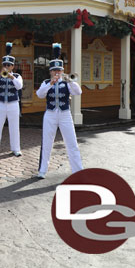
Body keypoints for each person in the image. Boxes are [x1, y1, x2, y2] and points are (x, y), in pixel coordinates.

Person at [35, 43, 83, 179]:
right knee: (46, 142)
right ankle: (42, 170)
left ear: (62, 71)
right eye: (54, 70)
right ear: (50, 71)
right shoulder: (46, 82)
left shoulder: (67, 82)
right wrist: (50, 83)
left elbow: (78, 92)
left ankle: (77, 170)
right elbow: (39, 94)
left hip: (65, 114)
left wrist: (70, 81)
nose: (56, 72)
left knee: (72, 142)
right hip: (50, 114)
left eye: (59, 70)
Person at [0, 42, 23, 156]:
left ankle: (16, 148)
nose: (7, 67)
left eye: (9, 65)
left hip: (13, 103)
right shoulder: (0, 75)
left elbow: (19, 86)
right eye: (5, 65)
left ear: (12, 66)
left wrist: (11, 76)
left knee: (14, 126)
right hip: (1, 103)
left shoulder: (17, 76)